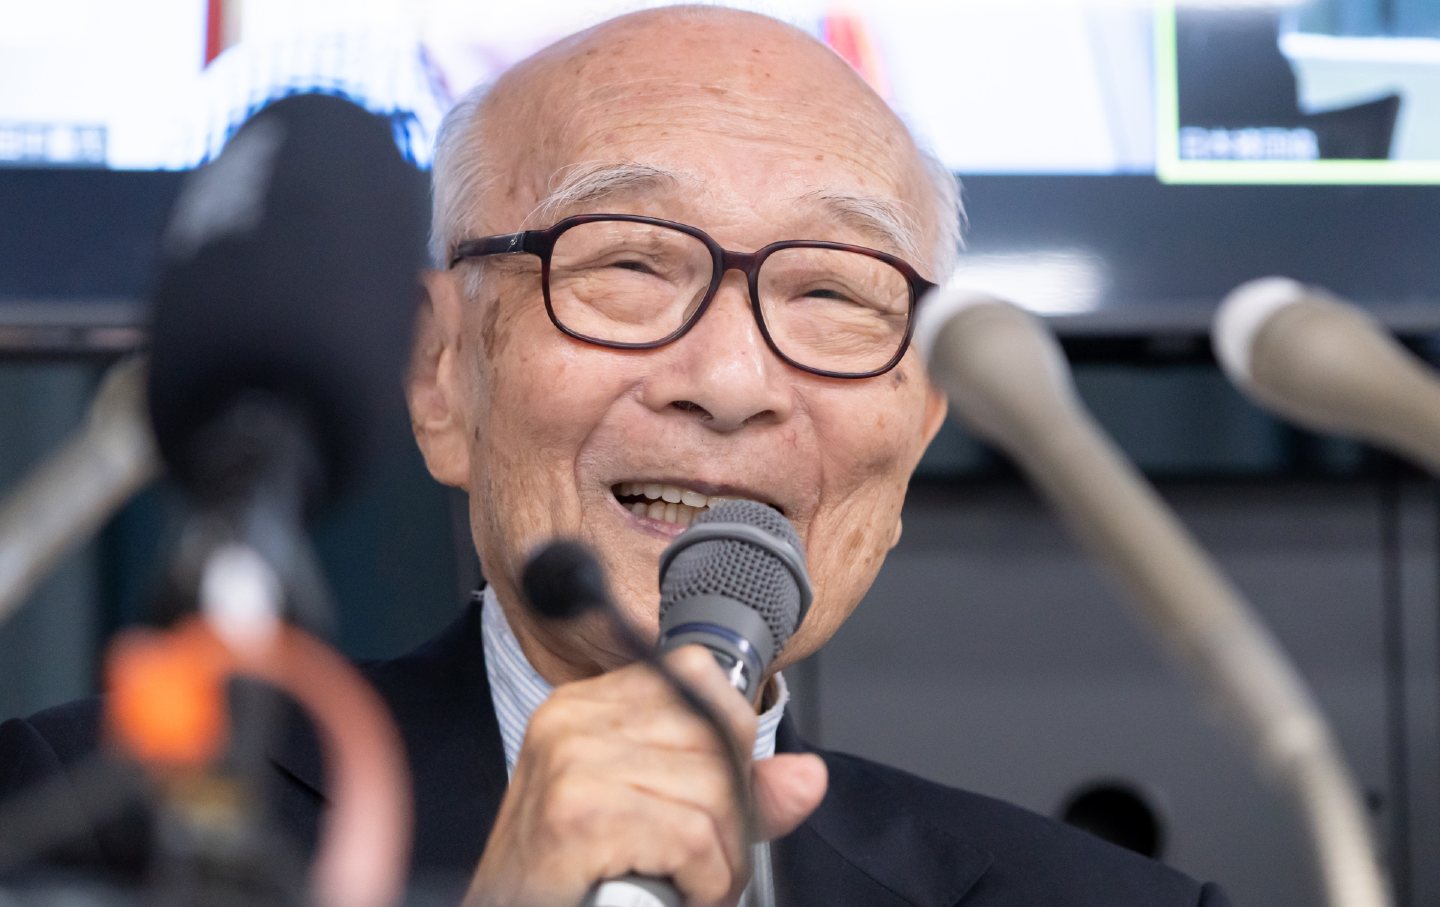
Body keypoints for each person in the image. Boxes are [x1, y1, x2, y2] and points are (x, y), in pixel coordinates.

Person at [1, 6, 1231, 905]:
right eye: (629, 265)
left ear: (913, 437)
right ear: (441, 376)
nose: (731, 382)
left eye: (832, 293)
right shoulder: (79, 819)